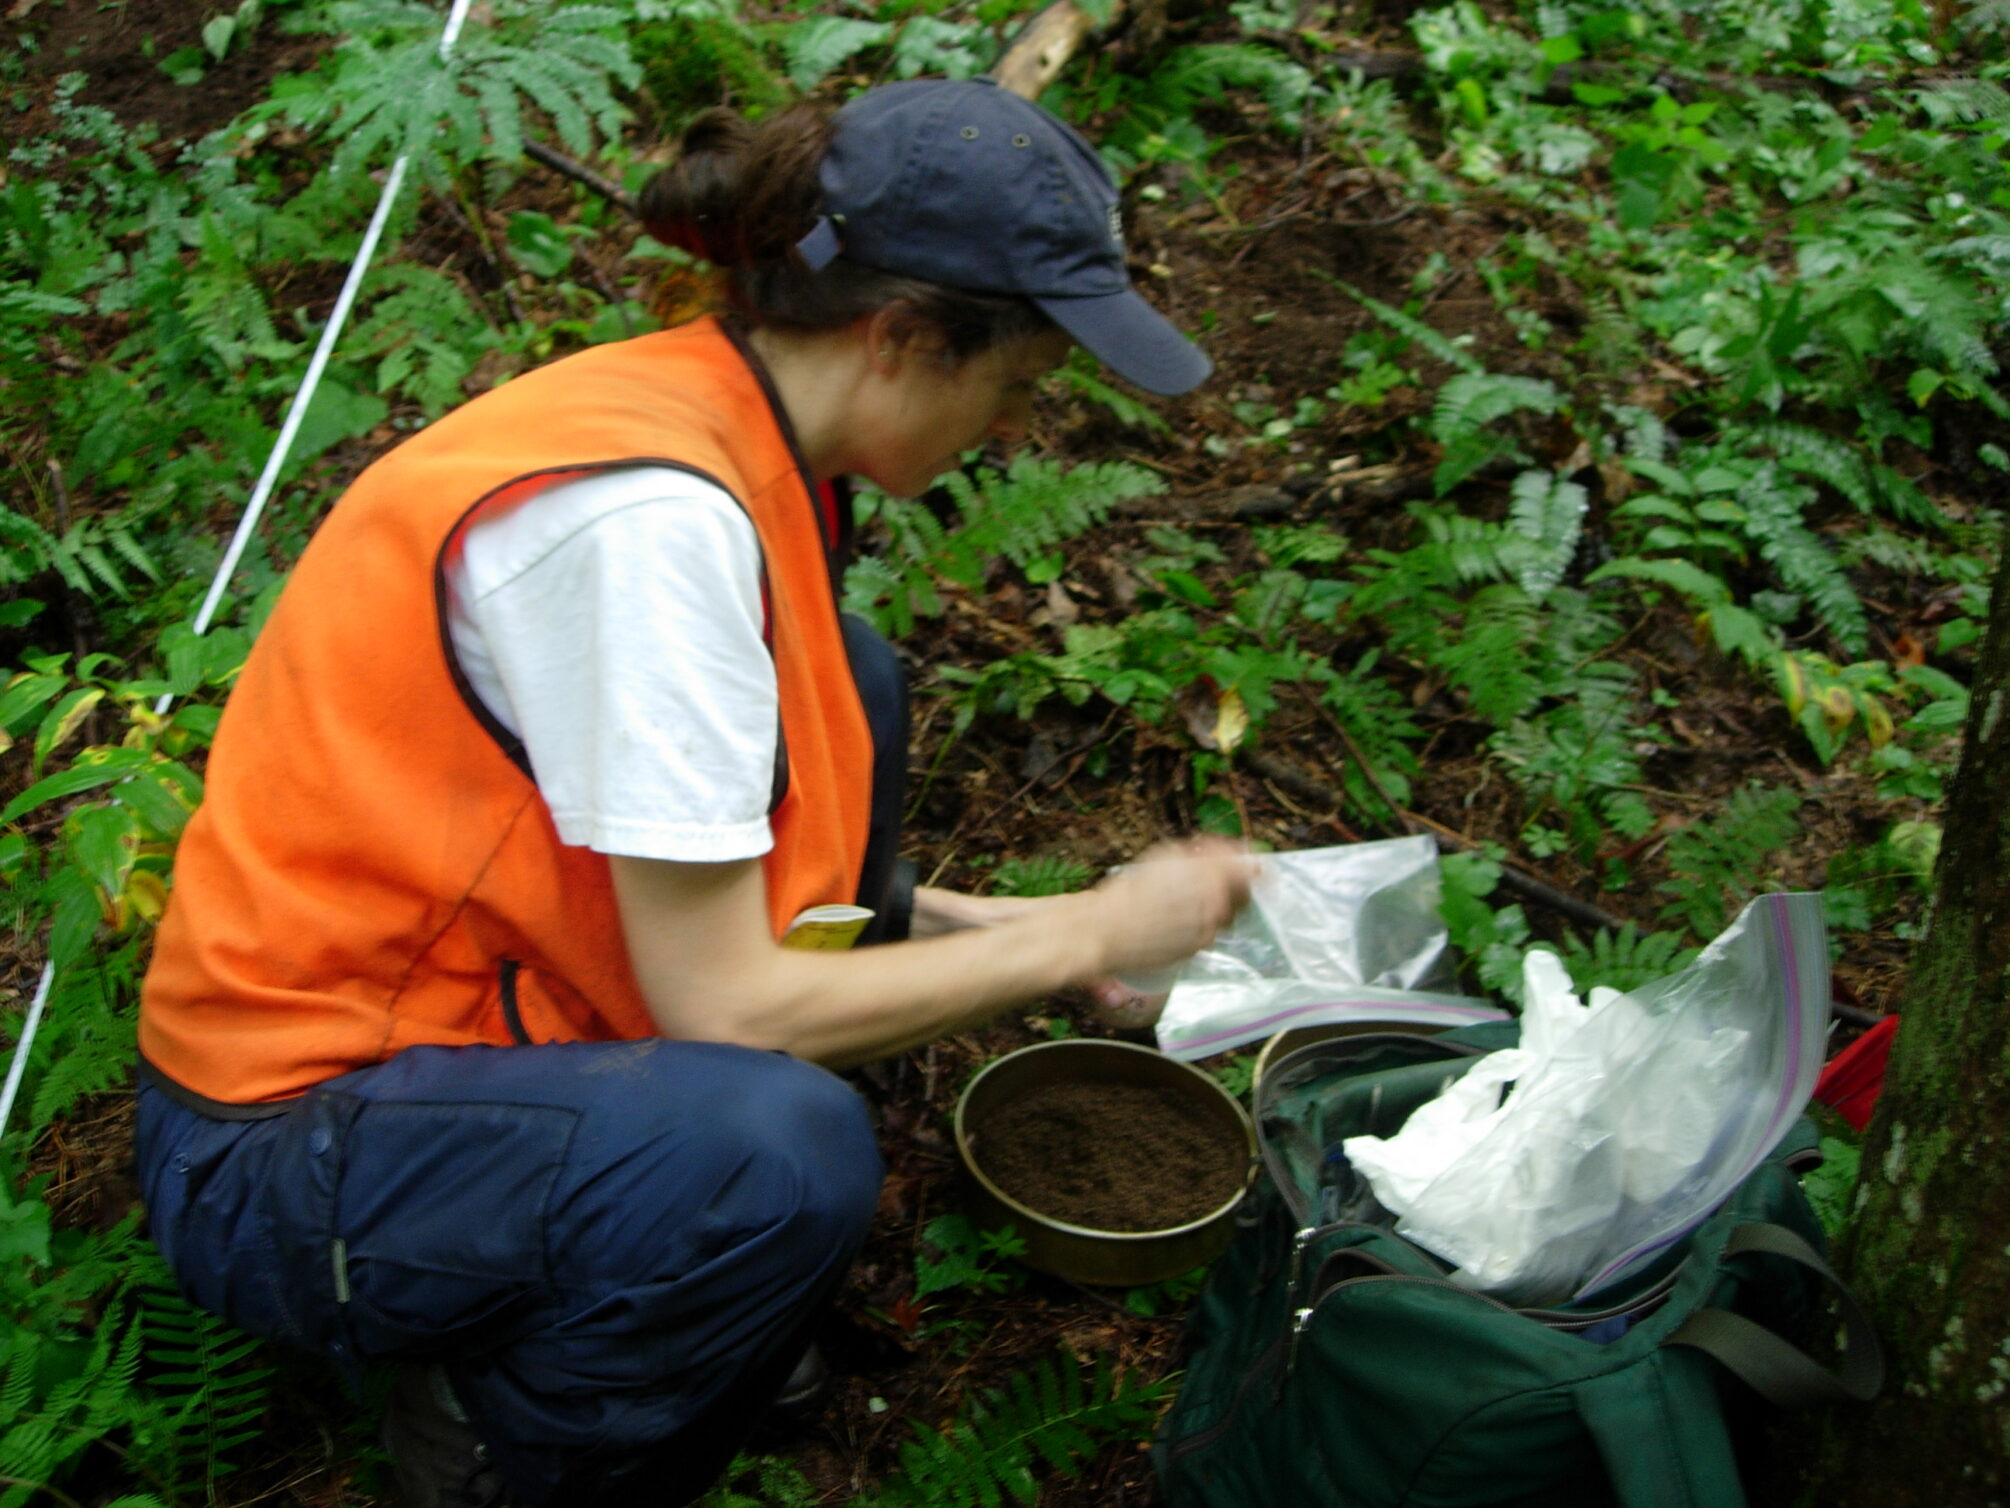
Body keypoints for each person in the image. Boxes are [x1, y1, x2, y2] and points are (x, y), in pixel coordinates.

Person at [133, 77, 1252, 1508]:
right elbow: (726, 1007)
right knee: (769, 1158)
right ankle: (505, 1430)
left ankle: (658, 1270)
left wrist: (985, 928)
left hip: (474, 1017)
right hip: (287, 1142)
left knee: (852, 683)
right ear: (902, 338)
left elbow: (727, 860)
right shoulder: (646, 527)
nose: (1020, 430)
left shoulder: (721, 419)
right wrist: (1087, 934)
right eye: (1020, 385)